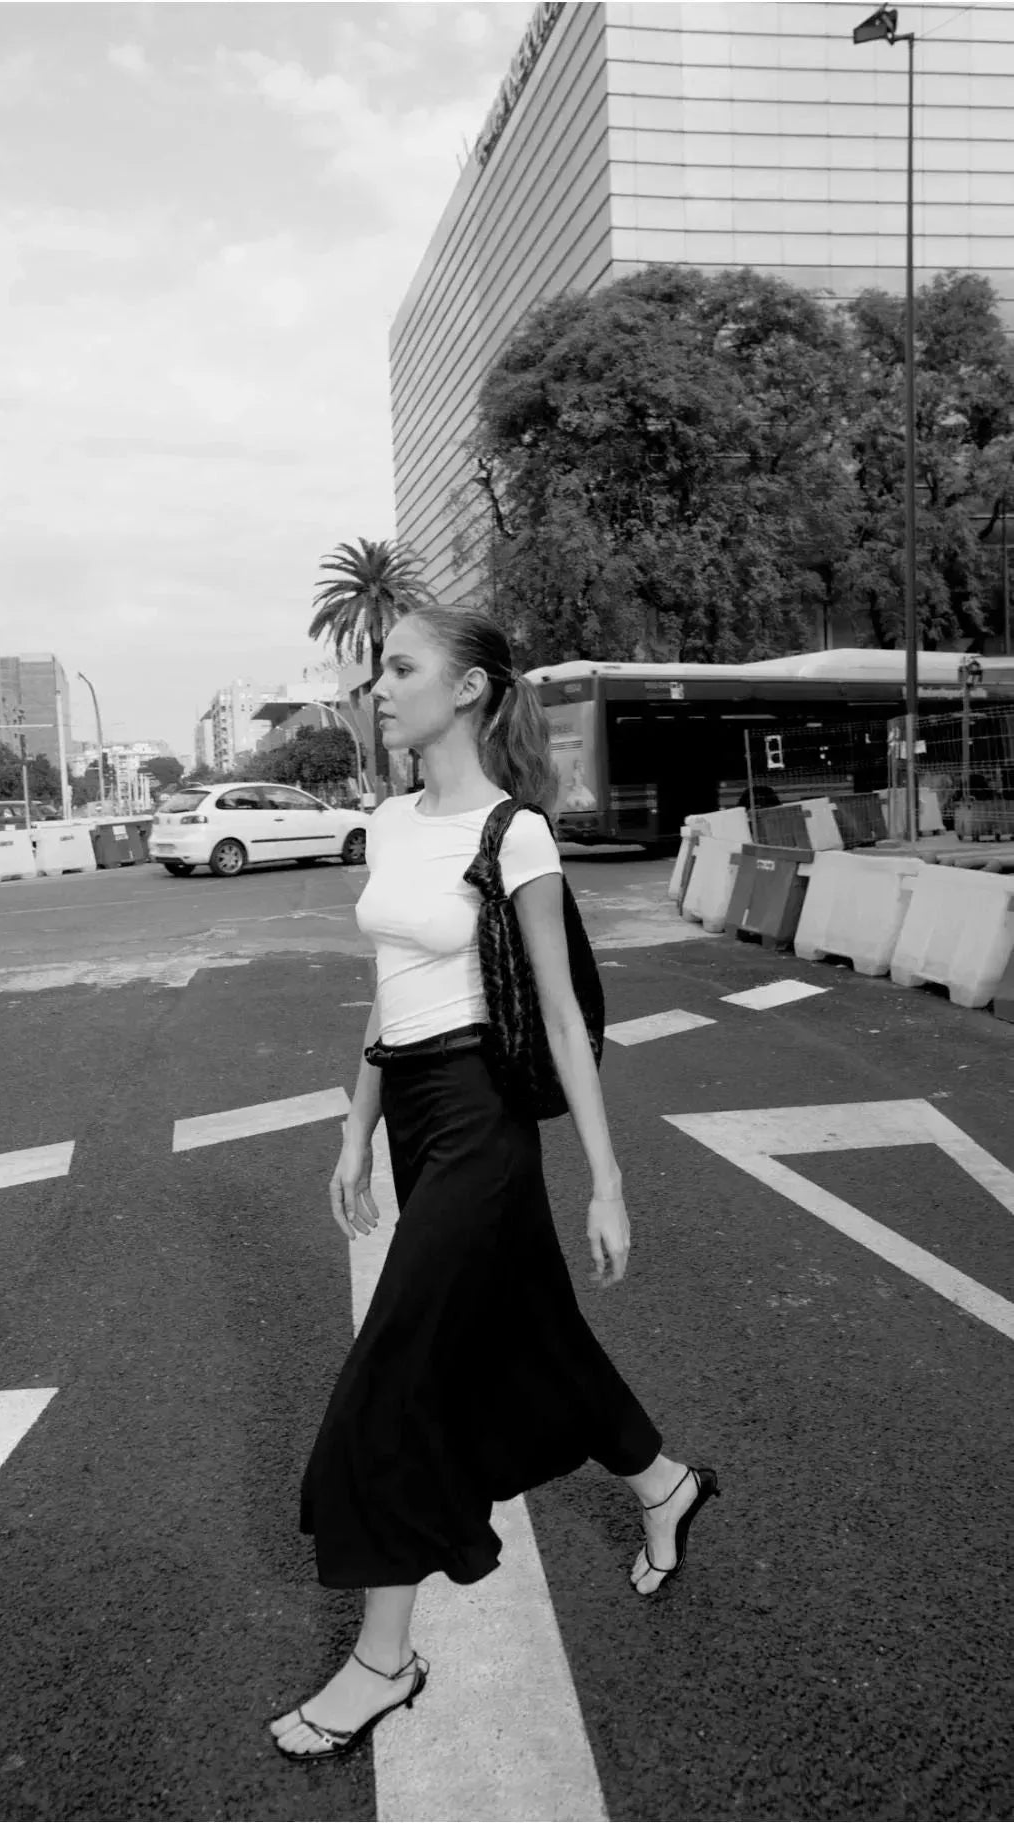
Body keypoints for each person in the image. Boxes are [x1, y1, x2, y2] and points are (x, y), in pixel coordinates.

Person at [270, 607, 720, 1764]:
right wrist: (356, 1130)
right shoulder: (384, 820)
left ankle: (385, 1658)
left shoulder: (516, 833)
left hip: (481, 1120)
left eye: (401, 668)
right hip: (415, 1114)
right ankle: (663, 1480)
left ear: (468, 690)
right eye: (379, 670)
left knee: (392, 1372)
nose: (380, 687)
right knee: (534, 1333)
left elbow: (565, 1015)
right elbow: (388, 990)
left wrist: (606, 1180)